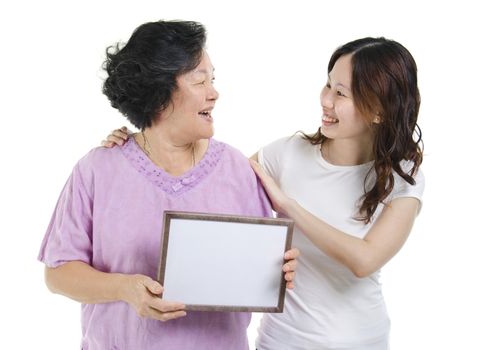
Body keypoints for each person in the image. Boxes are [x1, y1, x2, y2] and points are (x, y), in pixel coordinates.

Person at [105, 37, 424, 349]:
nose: (326, 100)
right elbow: (211, 176)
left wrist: (288, 206)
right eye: (328, 85)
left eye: (341, 93)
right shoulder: (287, 153)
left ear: (378, 111)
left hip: (363, 340)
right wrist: (146, 138)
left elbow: (365, 259)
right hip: (281, 340)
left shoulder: (403, 178)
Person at [38, 20, 298, 350]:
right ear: (160, 91)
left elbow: (259, 272)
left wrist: (277, 271)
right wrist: (123, 288)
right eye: (199, 80)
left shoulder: (237, 169)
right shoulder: (98, 169)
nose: (214, 92)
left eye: (212, 79)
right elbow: (58, 274)